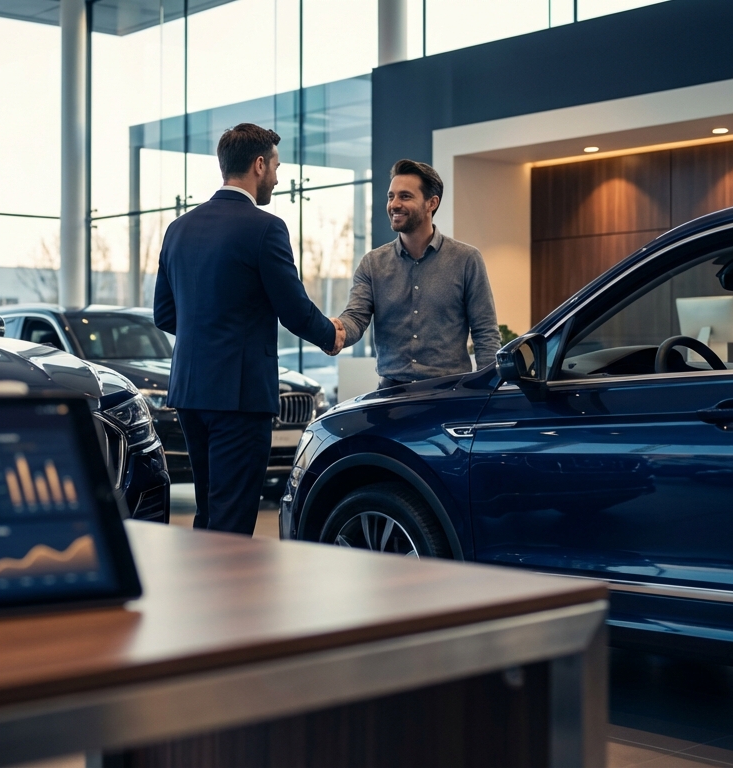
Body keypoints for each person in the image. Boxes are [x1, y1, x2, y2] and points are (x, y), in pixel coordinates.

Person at [154, 123, 342, 536]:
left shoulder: (178, 229)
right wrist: (332, 335)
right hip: (239, 396)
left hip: (189, 392)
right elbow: (292, 308)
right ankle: (228, 598)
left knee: (207, 512)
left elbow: (164, 315)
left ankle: (201, 596)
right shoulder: (265, 227)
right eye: (275, 166)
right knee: (233, 519)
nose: (277, 176)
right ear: (259, 164)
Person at [335, 159, 500, 389]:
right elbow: (355, 318)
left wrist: (487, 390)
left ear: (431, 203)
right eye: (391, 196)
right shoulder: (372, 263)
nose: (394, 204)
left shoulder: (466, 259)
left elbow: (485, 333)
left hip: (449, 394)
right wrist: (338, 331)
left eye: (405, 196)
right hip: (391, 397)